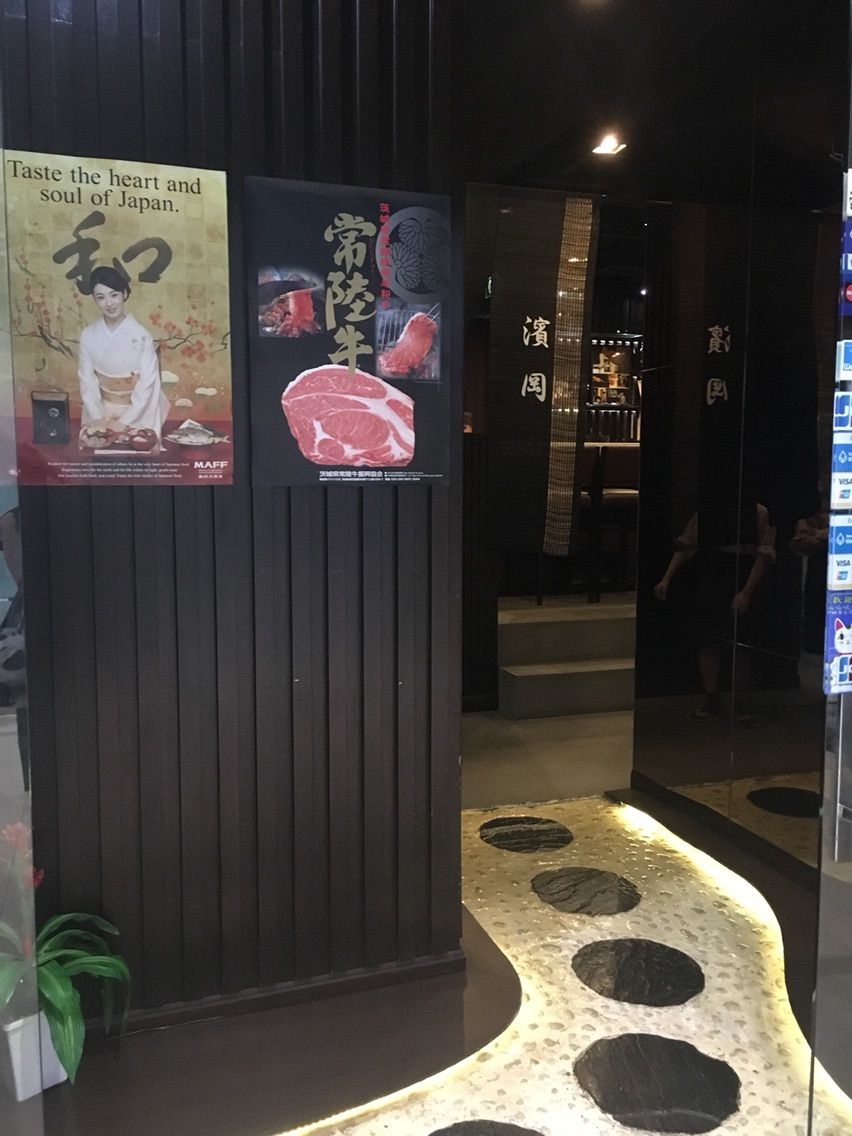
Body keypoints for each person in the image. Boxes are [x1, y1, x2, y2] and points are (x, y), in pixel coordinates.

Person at [654, 503, 776, 723]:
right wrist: (667, 578)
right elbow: (687, 544)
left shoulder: (758, 511)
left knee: (741, 645)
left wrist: (746, 592)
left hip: (743, 571)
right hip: (713, 573)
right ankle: (712, 700)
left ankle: (739, 703)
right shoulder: (709, 509)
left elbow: (764, 554)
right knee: (708, 642)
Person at [77, 266, 169, 439]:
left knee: (138, 443)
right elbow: (86, 379)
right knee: (97, 442)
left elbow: (147, 383)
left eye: (114, 295)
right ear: (94, 299)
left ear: (124, 294)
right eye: (101, 297)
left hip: (139, 410)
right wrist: (97, 417)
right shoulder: (88, 335)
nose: (109, 303)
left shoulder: (142, 336)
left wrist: (125, 421)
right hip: (101, 408)